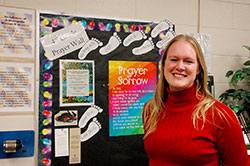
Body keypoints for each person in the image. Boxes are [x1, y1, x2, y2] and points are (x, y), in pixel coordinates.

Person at [143, 34, 250, 166]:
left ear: (198, 69)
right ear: (163, 65)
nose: (180, 66)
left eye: (188, 61)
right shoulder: (151, 109)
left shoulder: (221, 116)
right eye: (174, 59)